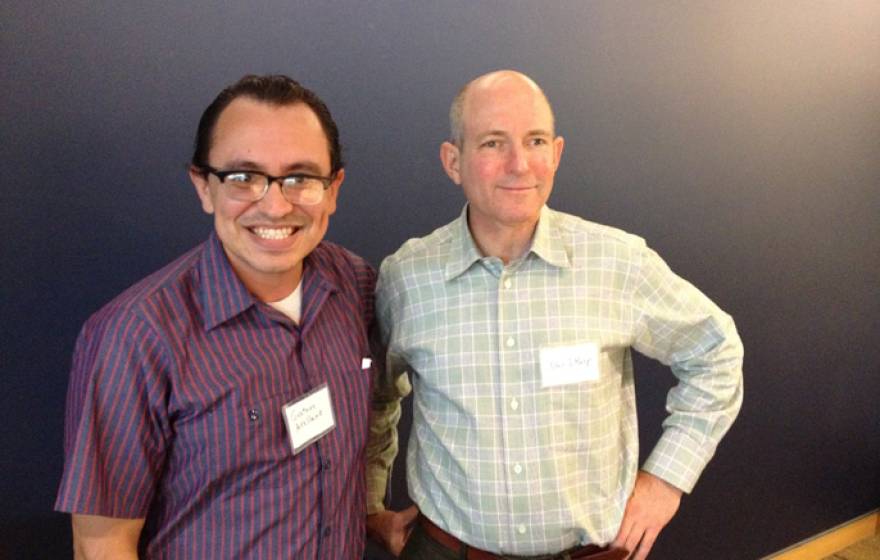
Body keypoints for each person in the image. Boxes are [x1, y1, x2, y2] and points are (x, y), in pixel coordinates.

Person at [365, 70, 744, 560]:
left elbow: (715, 352)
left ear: (557, 153)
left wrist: (666, 481)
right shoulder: (406, 278)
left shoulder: (616, 262)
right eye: (493, 143)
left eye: (536, 141)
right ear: (453, 161)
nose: (519, 164)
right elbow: (376, 400)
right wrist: (369, 505)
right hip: (445, 550)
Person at [55, 74, 377, 559]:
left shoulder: (354, 285)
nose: (275, 205)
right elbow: (101, 545)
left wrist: (374, 516)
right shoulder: (135, 335)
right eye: (243, 177)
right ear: (204, 187)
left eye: (300, 178)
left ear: (333, 189)